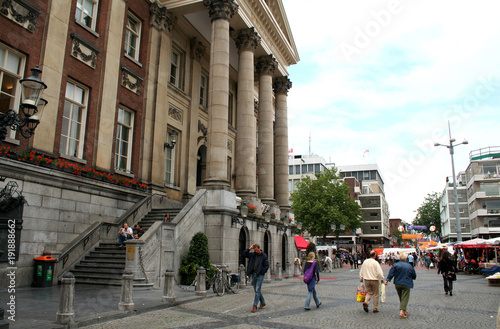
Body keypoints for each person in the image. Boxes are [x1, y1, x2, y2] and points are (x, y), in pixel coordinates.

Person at [385, 253, 417, 319]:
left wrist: (387, 280)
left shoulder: (395, 265)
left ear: (399, 258)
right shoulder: (409, 266)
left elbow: (391, 273)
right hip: (406, 283)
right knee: (405, 297)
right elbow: (414, 275)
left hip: (397, 283)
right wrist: (412, 277)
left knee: (401, 297)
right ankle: (402, 312)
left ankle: (404, 309)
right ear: (406, 259)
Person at [242, 243, 269, 313]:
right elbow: (244, 254)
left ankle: (254, 306)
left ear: (259, 249)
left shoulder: (264, 256)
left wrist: (262, 271)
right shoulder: (253, 255)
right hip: (254, 274)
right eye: (254, 250)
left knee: (257, 290)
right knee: (256, 290)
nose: (256, 252)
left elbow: (266, 266)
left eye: (256, 250)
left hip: (260, 274)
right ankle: (262, 302)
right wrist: (249, 249)